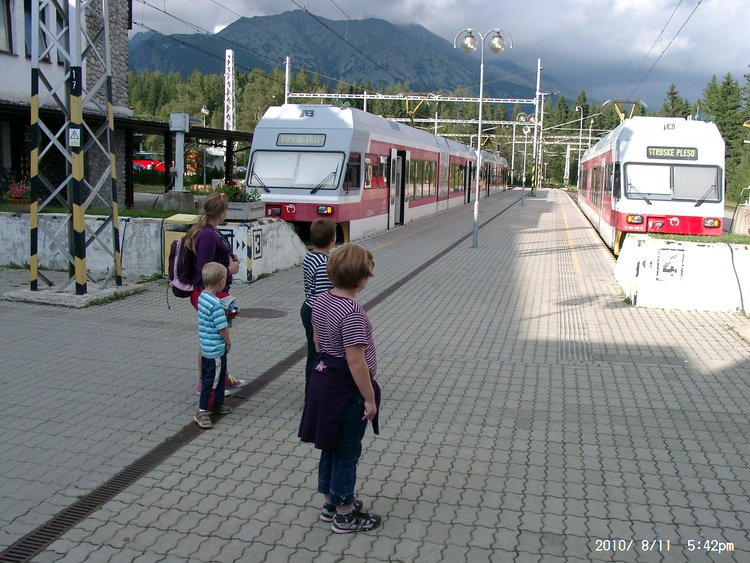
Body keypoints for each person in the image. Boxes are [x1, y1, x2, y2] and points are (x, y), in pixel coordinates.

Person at [298, 243, 382, 534]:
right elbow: (356, 361)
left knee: (330, 446)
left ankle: (330, 504)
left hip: (324, 381)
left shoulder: (321, 300)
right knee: (347, 451)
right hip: (347, 390)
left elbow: (317, 341)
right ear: (362, 279)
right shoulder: (353, 313)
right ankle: (345, 515)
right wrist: (369, 398)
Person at [184, 193, 244, 407]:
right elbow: (205, 269)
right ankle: (205, 381)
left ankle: (221, 375)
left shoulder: (211, 231)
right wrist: (230, 269)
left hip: (218, 292)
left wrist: (229, 262)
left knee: (215, 337)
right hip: (209, 294)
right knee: (210, 338)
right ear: (221, 213)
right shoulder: (207, 236)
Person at [194, 262, 233, 429]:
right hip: (216, 350)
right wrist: (228, 341)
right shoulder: (216, 304)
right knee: (213, 381)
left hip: (206, 347)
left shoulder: (202, 297)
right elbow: (222, 327)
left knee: (218, 377)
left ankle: (217, 405)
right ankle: (202, 410)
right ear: (221, 282)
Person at [300, 218, 336, 392]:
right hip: (316, 312)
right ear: (333, 239)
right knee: (316, 354)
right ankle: (312, 392)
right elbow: (321, 298)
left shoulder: (310, 257)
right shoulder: (324, 264)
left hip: (308, 306)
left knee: (314, 352)